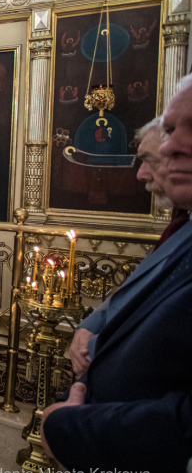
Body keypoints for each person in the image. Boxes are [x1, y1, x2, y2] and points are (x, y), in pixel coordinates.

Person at [42, 75, 192, 473]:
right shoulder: (183, 227)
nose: (167, 151)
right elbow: (134, 304)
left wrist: (75, 432)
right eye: (170, 132)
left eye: (185, 131)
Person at [68, 116, 187, 377]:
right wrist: (90, 326)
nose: (140, 174)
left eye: (150, 160)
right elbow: (135, 291)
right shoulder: (180, 224)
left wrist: (72, 419)